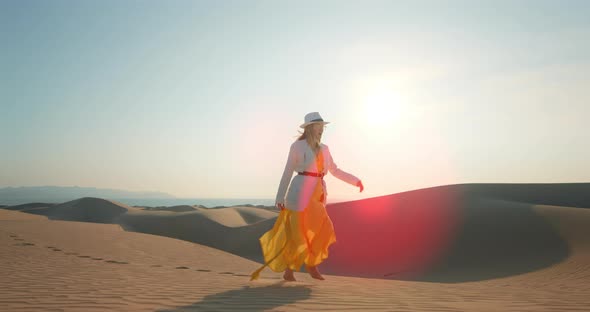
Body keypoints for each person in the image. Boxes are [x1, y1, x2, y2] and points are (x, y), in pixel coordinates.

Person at [250, 112, 364, 281]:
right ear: (310, 128)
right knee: (298, 234)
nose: (322, 130)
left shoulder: (325, 149)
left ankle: (311, 263)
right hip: (299, 193)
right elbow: (288, 171)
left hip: (318, 195)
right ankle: (293, 270)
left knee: (324, 230)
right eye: (319, 126)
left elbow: (335, 170)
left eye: (323, 127)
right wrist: (280, 197)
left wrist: (355, 181)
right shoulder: (297, 146)